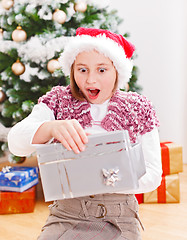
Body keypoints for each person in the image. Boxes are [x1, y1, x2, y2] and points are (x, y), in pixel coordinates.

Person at [8, 27, 162, 240]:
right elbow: (15, 143)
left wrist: (111, 177)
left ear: (117, 70)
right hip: (66, 214)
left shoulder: (139, 108)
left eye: (101, 70)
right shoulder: (57, 101)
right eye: (82, 70)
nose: (90, 80)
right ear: (72, 70)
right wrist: (49, 128)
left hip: (119, 216)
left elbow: (154, 174)